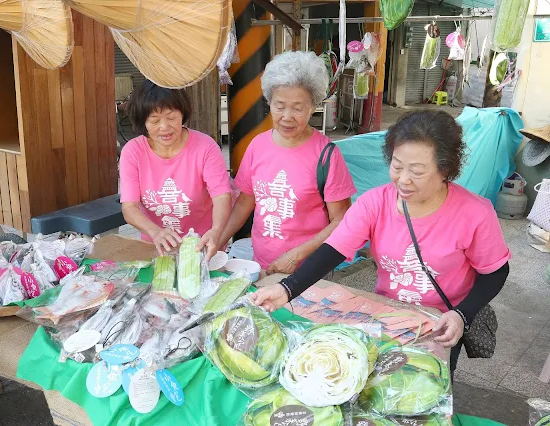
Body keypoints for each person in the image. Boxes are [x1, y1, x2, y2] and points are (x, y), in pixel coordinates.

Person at [252, 110, 511, 375]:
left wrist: (462, 314)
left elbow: (495, 271)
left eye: (417, 171)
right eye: (397, 166)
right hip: (387, 317)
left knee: (430, 390)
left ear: (445, 169)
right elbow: (333, 250)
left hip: (442, 322)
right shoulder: (374, 203)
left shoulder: (475, 213)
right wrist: (287, 289)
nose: (403, 179)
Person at [217, 51, 356, 275]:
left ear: (313, 107)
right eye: (279, 106)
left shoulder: (327, 155)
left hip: (309, 270)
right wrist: (219, 239)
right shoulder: (257, 145)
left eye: (298, 108)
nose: (287, 116)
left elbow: (341, 221)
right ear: (269, 103)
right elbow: (245, 202)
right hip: (263, 265)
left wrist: (295, 256)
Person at [119, 80, 232, 258]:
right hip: (157, 248)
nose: (164, 127)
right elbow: (129, 207)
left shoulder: (205, 147)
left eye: (171, 118)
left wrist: (217, 230)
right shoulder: (133, 152)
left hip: (202, 246)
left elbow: (222, 195)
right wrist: (155, 231)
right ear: (143, 122)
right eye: (155, 121)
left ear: (183, 114)